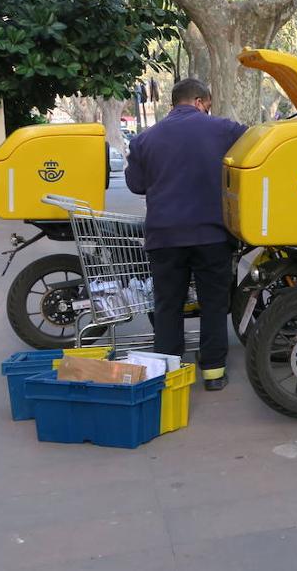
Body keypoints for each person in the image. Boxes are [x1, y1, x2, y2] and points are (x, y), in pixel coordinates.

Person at [126, 79, 247, 391]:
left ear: (173, 103)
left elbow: (136, 185)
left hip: (164, 237)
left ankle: (170, 374)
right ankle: (213, 372)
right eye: (208, 104)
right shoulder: (225, 130)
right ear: (200, 101)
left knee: (167, 305)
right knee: (214, 304)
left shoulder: (144, 139)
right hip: (212, 235)